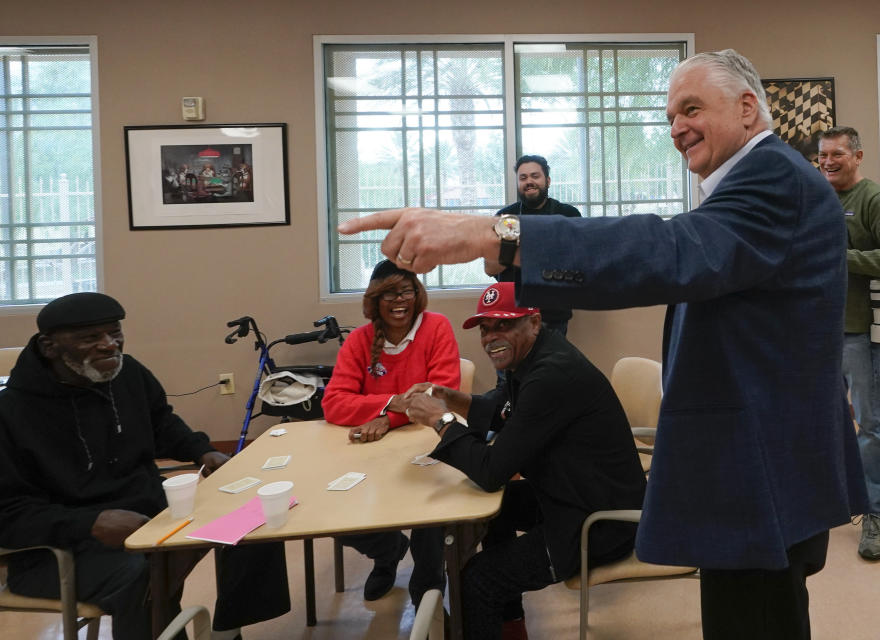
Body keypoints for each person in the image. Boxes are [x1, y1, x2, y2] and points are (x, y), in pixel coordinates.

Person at [340, 49, 868, 639]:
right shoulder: (753, 180)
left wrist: (492, 232)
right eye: (670, 116)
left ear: (748, 108)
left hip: (759, 468)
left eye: (692, 108)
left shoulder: (771, 177)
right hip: (751, 463)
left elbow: (668, 251)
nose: (676, 128)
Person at [0, 292, 290, 640]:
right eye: (90, 338)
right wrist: (89, 523)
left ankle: (227, 632)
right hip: (58, 552)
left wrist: (203, 452)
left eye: (114, 333)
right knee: (146, 573)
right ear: (49, 346)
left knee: (254, 517)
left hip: (149, 517)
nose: (109, 345)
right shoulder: (4, 417)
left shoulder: (127, 374)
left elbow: (161, 423)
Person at [402, 282, 645, 640]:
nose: (490, 338)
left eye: (503, 325)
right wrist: (449, 398)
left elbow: (490, 471)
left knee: (478, 580)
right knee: (491, 513)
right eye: (485, 329)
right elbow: (503, 408)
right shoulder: (535, 358)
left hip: (598, 522)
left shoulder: (551, 375)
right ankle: (510, 626)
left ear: (534, 321)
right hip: (575, 492)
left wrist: (441, 420)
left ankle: (502, 620)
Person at [321, 259, 461, 605]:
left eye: (407, 291)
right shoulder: (359, 340)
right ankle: (388, 551)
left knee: (429, 517)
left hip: (426, 445)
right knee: (330, 510)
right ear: (373, 301)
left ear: (418, 294)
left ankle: (426, 600)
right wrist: (393, 404)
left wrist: (386, 417)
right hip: (371, 452)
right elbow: (334, 403)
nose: (399, 301)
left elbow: (440, 395)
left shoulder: (437, 327)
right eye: (388, 294)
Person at [818, 125, 880, 559]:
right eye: (822, 155)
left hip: (857, 331)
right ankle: (827, 504)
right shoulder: (818, 198)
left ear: (857, 156)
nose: (828, 161)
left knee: (870, 426)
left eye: (837, 154)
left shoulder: (871, 199)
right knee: (821, 419)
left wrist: (840, 258)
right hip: (816, 332)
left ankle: (874, 513)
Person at [485, 154, 582, 335]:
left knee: (551, 364)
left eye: (535, 176)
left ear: (548, 180)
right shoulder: (504, 218)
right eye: (523, 178)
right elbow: (490, 268)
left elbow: (580, 263)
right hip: (511, 314)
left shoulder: (568, 214)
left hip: (553, 317)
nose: (529, 181)